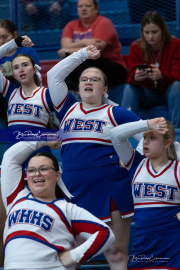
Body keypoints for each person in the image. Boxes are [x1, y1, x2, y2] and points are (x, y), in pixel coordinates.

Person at [47, 45, 143, 270]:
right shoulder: (67, 107)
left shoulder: (116, 112)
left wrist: (132, 156)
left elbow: (151, 137)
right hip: (73, 192)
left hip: (112, 190)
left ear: (105, 88)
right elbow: (53, 75)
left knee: (116, 252)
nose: (88, 82)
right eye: (84, 79)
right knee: (70, 254)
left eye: (95, 79)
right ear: (78, 86)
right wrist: (82, 55)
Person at [1, 139, 115, 270]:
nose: (37, 173)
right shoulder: (15, 198)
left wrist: (74, 256)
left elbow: (105, 234)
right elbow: (10, 157)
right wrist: (43, 141)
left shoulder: (67, 209)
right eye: (31, 170)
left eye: (44, 169)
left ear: (57, 175)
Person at [110, 117, 180, 269]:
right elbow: (115, 134)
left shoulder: (178, 169)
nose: (145, 142)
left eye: (152, 138)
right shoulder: (136, 163)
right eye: (144, 137)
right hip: (142, 248)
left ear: (167, 143)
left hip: (173, 248)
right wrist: (147, 124)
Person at [121, 11, 180, 128]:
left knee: (177, 86)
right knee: (129, 88)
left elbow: (177, 74)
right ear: (142, 32)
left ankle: (176, 131)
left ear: (162, 31)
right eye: (146, 32)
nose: (150, 36)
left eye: (154, 32)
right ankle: (125, 129)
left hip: (168, 92)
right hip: (147, 93)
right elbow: (130, 78)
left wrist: (162, 76)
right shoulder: (136, 46)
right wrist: (136, 78)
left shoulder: (175, 44)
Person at [57, 0, 127, 91]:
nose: (83, 9)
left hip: (113, 69)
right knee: (62, 71)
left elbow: (94, 50)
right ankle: (76, 99)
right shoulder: (71, 25)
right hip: (84, 66)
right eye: (80, 6)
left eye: (88, 6)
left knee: (82, 60)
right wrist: (85, 42)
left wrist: (68, 50)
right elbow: (64, 46)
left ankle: (84, 96)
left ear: (96, 9)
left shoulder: (104, 23)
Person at [0, 19, 40, 84]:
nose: (1, 41)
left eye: (5, 37)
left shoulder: (28, 51)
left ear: (15, 34)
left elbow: (37, 77)